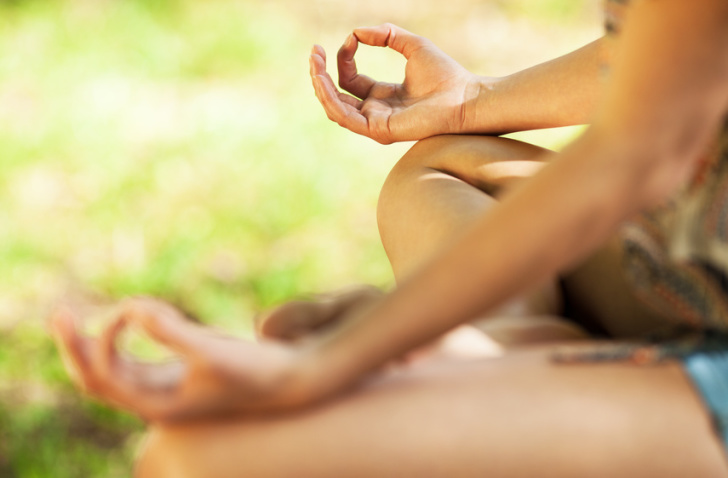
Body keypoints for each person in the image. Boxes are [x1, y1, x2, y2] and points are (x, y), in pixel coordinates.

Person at [52, 0, 728, 476]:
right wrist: (470, 101)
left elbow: (636, 157)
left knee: (191, 463)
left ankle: (482, 353)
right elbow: (672, 57)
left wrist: (320, 365)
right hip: (693, 261)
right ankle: (496, 337)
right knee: (446, 164)